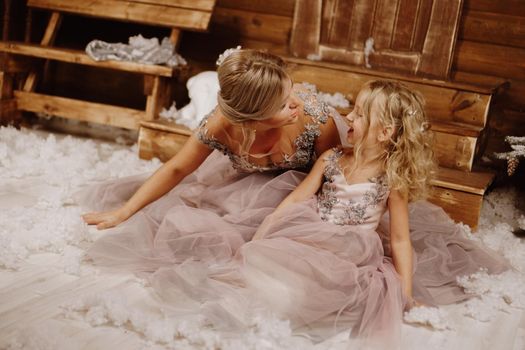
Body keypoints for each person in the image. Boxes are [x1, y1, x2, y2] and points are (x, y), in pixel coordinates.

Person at [149, 80, 508, 348]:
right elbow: (294, 201)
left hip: (351, 250)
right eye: (353, 109)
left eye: (360, 115)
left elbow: (399, 238)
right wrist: (262, 234)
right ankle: (246, 299)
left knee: (312, 288)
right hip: (312, 230)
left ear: (385, 132)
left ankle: (283, 302)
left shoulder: (391, 179)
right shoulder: (332, 157)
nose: (348, 116)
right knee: (269, 259)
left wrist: (405, 291)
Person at [79, 49, 343, 270]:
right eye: (284, 104)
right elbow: (178, 168)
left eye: (291, 92)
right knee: (204, 228)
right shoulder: (220, 126)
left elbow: (334, 172)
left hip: (308, 182)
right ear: (253, 117)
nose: (296, 102)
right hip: (250, 185)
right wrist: (123, 212)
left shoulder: (313, 118)